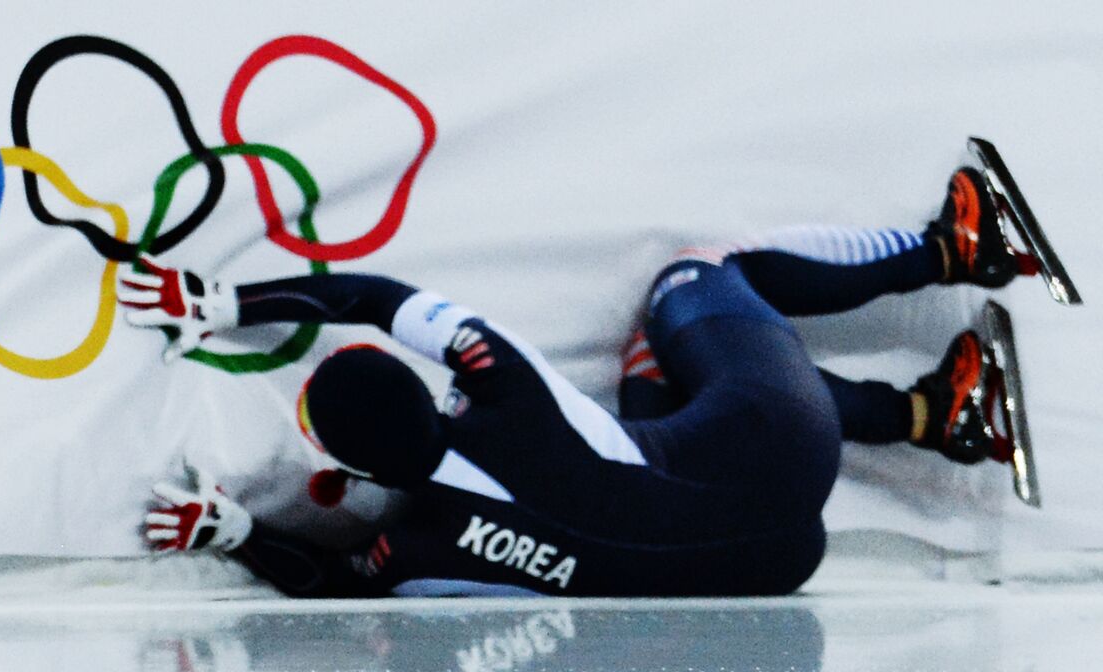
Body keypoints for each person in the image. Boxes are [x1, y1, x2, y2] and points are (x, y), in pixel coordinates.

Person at [118, 168, 1028, 598]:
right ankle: (951, 251)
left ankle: (929, 415)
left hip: (768, 570)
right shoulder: (501, 384)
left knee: (648, 364)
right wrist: (224, 302)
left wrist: (232, 528)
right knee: (696, 278)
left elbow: (332, 588)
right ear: (422, 381)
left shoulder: (419, 549)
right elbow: (379, 295)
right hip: (770, 449)